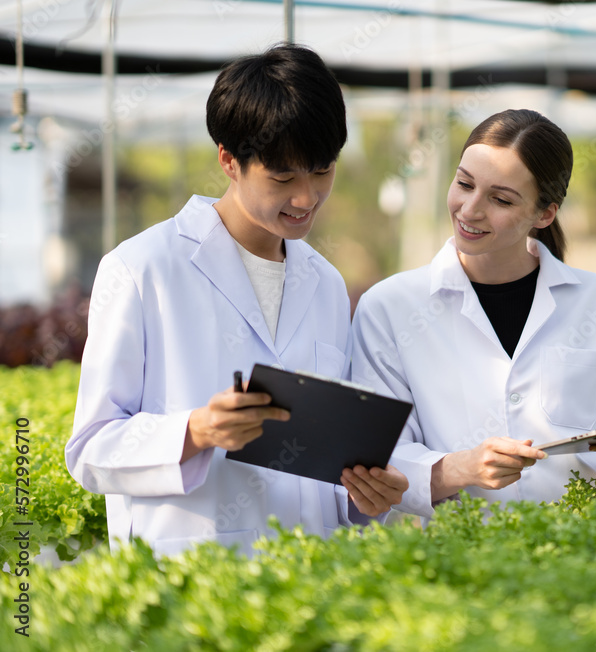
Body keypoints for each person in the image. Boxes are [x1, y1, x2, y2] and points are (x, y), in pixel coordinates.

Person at [66, 44, 407, 557]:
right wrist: (195, 431)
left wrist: (365, 496)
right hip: (193, 578)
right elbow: (90, 450)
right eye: (283, 177)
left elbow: (329, 460)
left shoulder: (327, 284)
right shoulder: (141, 270)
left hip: (308, 571)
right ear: (228, 159)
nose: (306, 197)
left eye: (322, 171)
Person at [350, 109, 596, 518]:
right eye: (464, 184)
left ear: (545, 213)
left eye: (500, 199)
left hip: (577, 556)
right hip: (445, 564)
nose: (470, 209)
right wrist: (458, 467)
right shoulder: (389, 308)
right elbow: (374, 461)